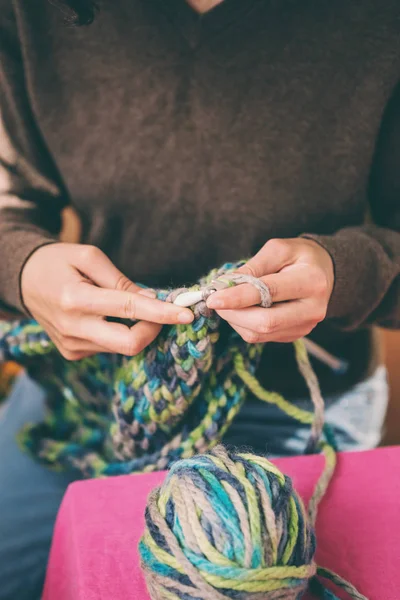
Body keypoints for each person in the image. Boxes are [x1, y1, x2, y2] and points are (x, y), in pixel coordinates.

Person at [0, 0, 399, 597]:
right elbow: (10, 199)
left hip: (290, 401)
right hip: (84, 381)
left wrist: (350, 273)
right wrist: (23, 269)